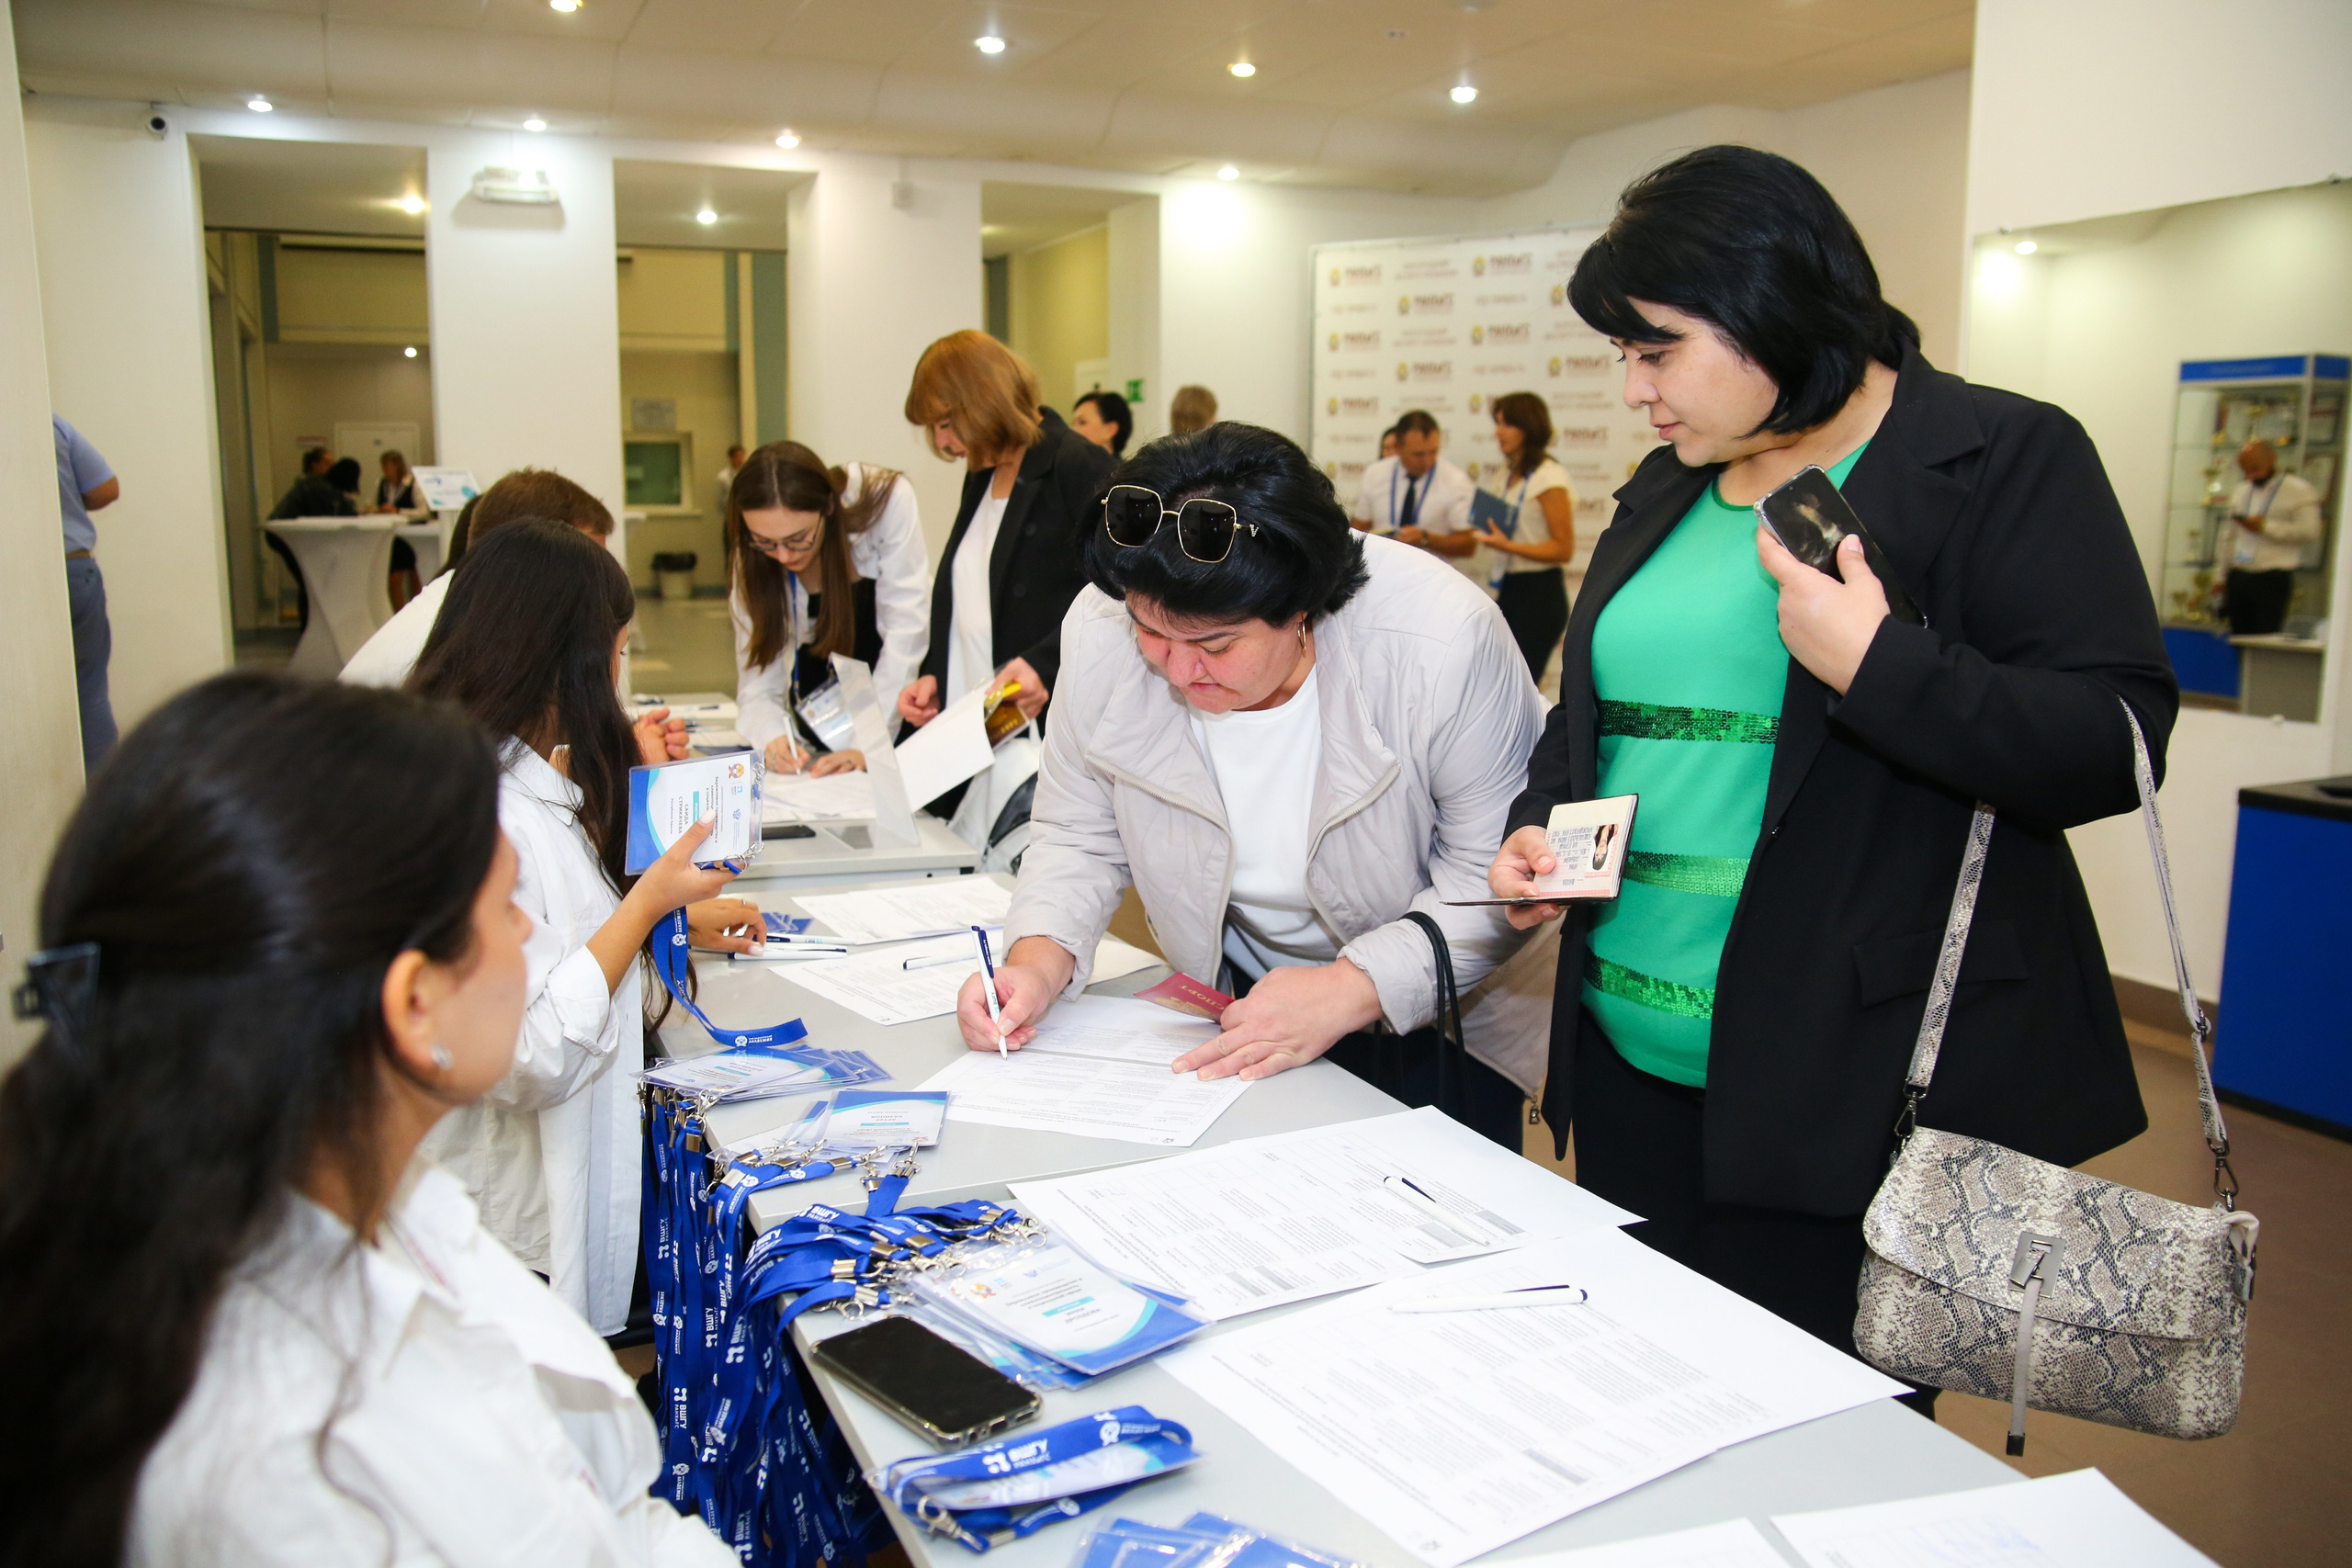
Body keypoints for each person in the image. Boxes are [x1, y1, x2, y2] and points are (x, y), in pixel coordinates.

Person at [1487, 146, 2173, 1382]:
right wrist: (1541, 824)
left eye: (1657, 349)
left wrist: (1879, 664)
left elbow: (2110, 742)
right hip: (1632, 1061)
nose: (1636, 389)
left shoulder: (1998, 457)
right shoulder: (1668, 483)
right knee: (1644, 1405)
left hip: (1850, 1080)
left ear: (1771, 308)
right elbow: (1598, 711)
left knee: (1821, 1443)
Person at [0, 671, 733, 1566]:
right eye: (509, 906)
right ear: (414, 1002)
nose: (530, 934)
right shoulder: (278, 1477)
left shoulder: (365, 1190)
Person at [960, 423, 1555, 1149]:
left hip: (1441, 1013)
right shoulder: (1100, 625)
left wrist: (1349, 989)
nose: (1177, 671)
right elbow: (1078, 832)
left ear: (1301, 606)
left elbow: (1487, 880)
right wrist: (1035, 964)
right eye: (1152, 634)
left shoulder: (1440, 641)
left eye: (1215, 645)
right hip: (1242, 997)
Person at [406, 519, 760, 1334]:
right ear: (565, 658)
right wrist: (645, 907)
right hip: (513, 1221)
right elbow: (526, 1056)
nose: (618, 672)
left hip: (532, 1192)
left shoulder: (514, 768)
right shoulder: (487, 810)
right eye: (617, 651)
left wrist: (666, 900)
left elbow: (568, 917)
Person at [897, 330, 1117, 757]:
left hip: (1044, 730)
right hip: (980, 723)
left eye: (945, 424)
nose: (941, 442)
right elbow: (969, 595)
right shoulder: (981, 474)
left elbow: (1123, 591)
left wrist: (1046, 665)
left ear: (983, 400)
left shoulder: (1075, 463)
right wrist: (936, 677)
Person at [729, 440, 931, 774]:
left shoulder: (884, 502)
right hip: (820, 730)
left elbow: (905, 637)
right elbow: (757, 680)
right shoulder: (749, 561)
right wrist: (773, 739)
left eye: (798, 539)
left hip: (895, 707)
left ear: (828, 509)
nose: (783, 556)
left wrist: (866, 746)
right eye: (766, 542)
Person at [342, 468, 615, 688]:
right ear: (528, 558)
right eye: (587, 569)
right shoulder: (461, 640)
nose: (598, 586)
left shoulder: (468, 604)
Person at [1473, 391, 1578, 681]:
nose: (1497, 432)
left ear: (1527, 427)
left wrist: (1509, 546)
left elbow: (1563, 549)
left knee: (1522, 684)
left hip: (1540, 595)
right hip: (1509, 587)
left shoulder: (1549, 477)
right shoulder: (1506, 473)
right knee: (1499, 682)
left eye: (1506, 424)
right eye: (1497, 423)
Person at [53, 414, 119, 774]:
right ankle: (108, 805)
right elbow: (105, 489)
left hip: (24, 581)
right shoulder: (51, 424)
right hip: (75, 569)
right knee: (90, 691)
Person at [2219, 437, 2323, 636]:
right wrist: (2220, 575)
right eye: (2246, 470)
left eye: (2255, 468)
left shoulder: (2299, 490)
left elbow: (2311, 532)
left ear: (2272, 458)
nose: (2251, 476)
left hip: (2271, 577)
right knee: (2237, 639)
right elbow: (2227, 536)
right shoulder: (2241, 491)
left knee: (2264, 638)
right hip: (2239, 574)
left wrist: (2266, 527)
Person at [1348, 409, 1473, 546]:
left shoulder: (1456, 480)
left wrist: (1427, 539)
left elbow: (1468, 543)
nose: (1428, 461)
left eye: (1433, 452)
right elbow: (1358, 529)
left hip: (1430, 566)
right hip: (1383, 565)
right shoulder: (1375, 474)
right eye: (1418, 455)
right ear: (1398, 448)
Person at [266, 446, 354, 633]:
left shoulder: (308, 485)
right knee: (310, 584)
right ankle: (310, 630)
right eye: (327, 462)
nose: (332, 466)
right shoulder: (315, 486)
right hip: (291, 542)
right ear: (315, 465)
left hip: (289, 540)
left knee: (309, 584)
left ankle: (310, 630)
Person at [375, 449, 424, 605]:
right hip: (392, 536)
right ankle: (400, 613)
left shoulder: (413, 484)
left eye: (388, 466)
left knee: (415, 575)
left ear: (397, 466)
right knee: (394, 578)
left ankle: (419, 609)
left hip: (410, 536)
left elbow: (423, 512)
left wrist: (399, 511)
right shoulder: (382, 485)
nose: (385, 471)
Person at [1071, 389, 1134, 457]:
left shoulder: (1116, 467)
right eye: (1073, 423)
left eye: (1082, 422)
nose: (1073, 430)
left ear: (1110, 430)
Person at [715, 442, 746, 517]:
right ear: (730, 458)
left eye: (742, 457)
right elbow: (719, 499)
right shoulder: (723, 477)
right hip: (730, 514)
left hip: (746, 514)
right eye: (737, 457)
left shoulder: (748, 474)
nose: (740, 460)